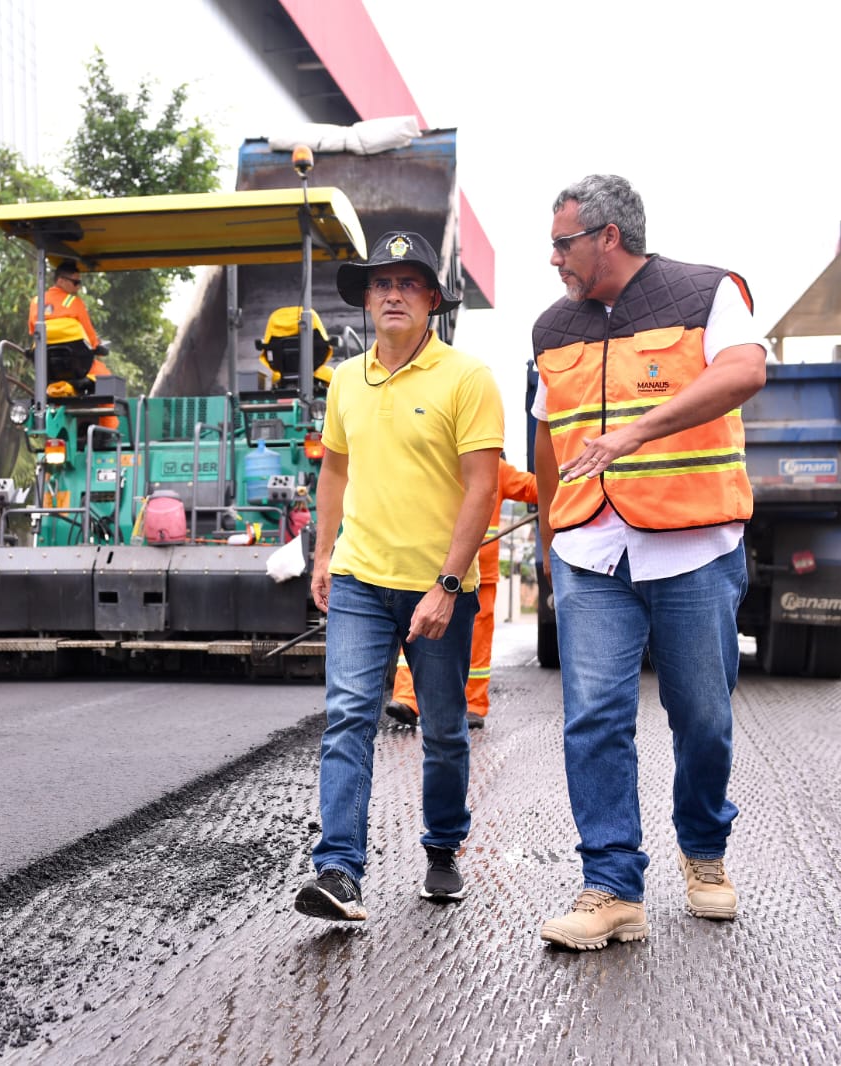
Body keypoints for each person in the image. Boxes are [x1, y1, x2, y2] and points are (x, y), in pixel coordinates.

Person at [531, 175, 766, 951]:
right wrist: (549, 534)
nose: (554, 258)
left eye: (563, 242)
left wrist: (635, 433)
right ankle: (612, 886)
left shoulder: (707, 293)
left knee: (702, 717)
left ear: (608, 236)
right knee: (594, 718)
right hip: (591, 552)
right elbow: (547, 439)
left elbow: (744, 372)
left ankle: (703, 848)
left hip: (692, 548)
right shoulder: (550, 326)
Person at [293, 231, 504, 922]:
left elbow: (482, 487)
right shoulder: (345, 380)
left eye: (408, 283)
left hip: (438, 586)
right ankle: (339, 870)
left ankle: (442, 848)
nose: (391, 294)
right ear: (365, 298)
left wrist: (448, 584)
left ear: (432, 300)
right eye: (380, 283)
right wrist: (324, 555)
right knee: (347, 717)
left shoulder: (467, 379)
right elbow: (334, 470)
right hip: (359, 578)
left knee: (443, 729)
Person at [386, 455, 538, 730]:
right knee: (450, 638)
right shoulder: (494, 468)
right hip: (452, 571)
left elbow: (538, 488)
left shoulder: (449, 461)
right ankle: (423, 700)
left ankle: (429, 701)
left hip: (449, 570)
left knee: (423, 632)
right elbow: (537, 488)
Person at [27, 258, 118, 430]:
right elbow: (91, 339)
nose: (78, 288)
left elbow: (33, 331)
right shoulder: (74, 302)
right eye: (76, 283)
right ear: (61, 280)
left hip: (48, 371)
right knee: (108, 381)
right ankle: (108, 432)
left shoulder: (35, 302)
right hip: (77, 370)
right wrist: (97, 346)